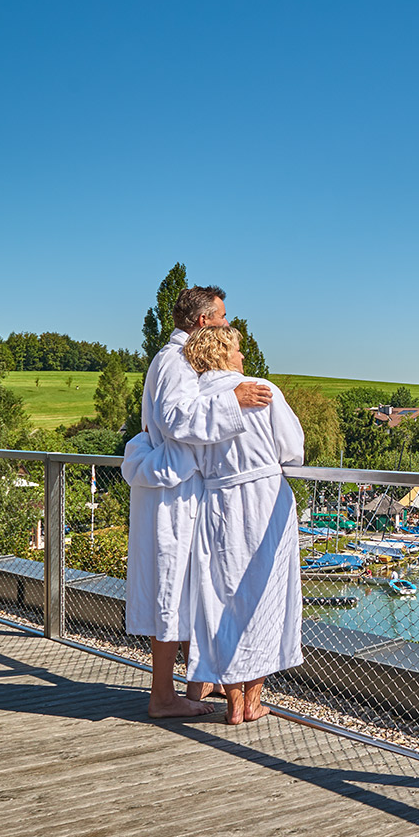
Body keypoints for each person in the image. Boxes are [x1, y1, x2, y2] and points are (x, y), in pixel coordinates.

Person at [122, 286, 271, 719]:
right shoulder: (173, 360)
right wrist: (233, 400)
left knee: (189, 589)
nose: (228, 323)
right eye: (223, 316)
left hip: (182, 490)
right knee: (171, 589)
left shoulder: (178, 360)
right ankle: (164, 697)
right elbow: (176, 418)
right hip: (173, 496)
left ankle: (200, 683)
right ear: (203, 321)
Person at [179, 325, 305, 724]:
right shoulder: (260, 389)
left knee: (223, 601)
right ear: (220, 352)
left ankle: (232, 701)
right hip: (266, 499)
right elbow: (293, 450)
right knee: (266, 600)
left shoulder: (193, 400)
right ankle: (252, 702)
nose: (243, 357)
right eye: (237, 349)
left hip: (217, 501)